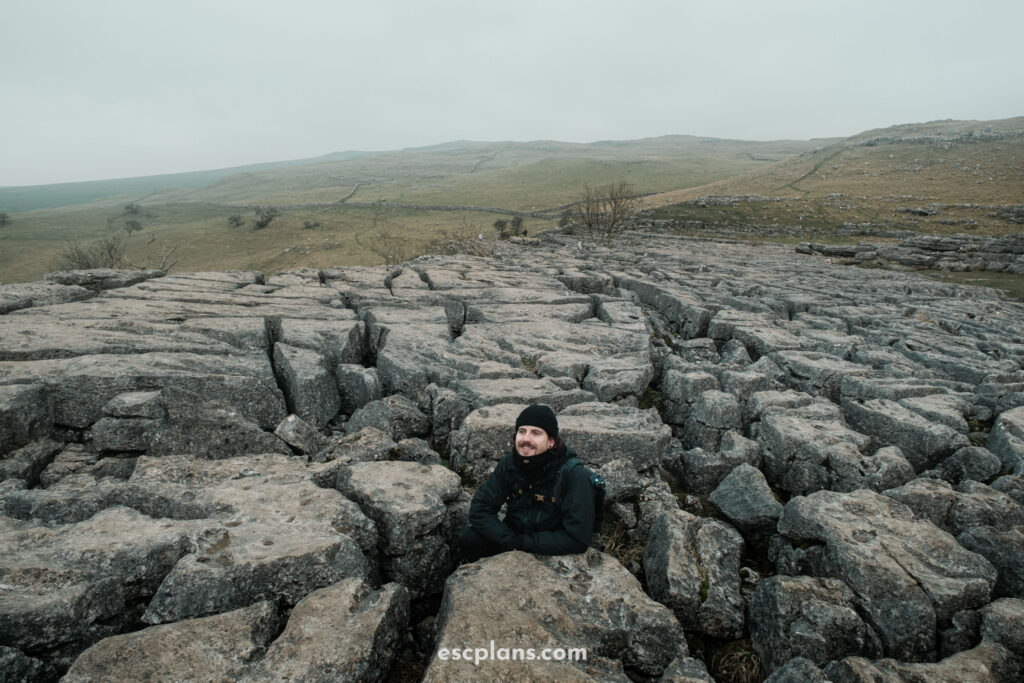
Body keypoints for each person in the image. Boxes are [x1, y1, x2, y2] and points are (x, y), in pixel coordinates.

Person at [456, 404, 595, 562]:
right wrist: (508, 540)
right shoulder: (509, 464)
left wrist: (524, 543)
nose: (526, 439)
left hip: (550, 548)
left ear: (551, 441)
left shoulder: (573, 474)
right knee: (468, 538)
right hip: (513, 539)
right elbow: (480, 509)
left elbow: (578, 537)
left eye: (536, 433)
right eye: (522, 432)